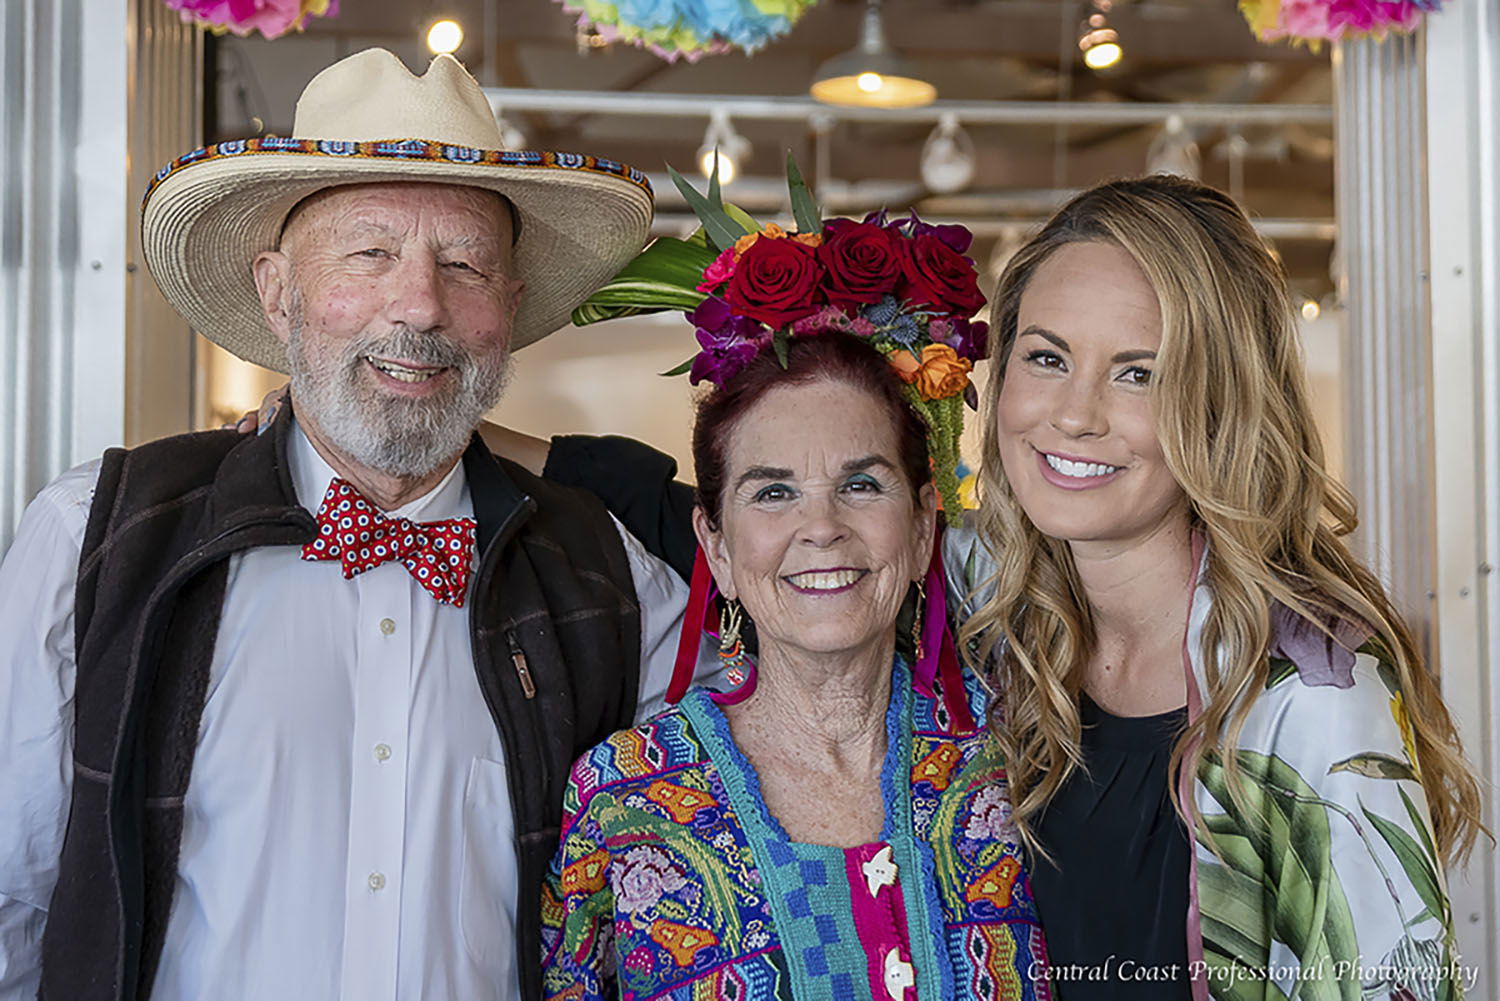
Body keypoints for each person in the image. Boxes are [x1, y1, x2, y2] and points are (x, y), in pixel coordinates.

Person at [497, 175, 1486, 999]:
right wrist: (446, 426)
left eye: (1138, 372)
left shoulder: (1310, 696)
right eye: (1047, 358)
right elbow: (774, 527)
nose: (1074, 414)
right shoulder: (1002, 609)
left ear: (1220, 400)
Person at [0, 48, 697, 1001]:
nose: (420, 305)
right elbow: (13, 903)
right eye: (370, 253)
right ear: (278, 291)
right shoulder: (95, 535)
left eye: (465, 265)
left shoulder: (609, 571)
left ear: (512, 308)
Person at [538, 188, 1047, 999]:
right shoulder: (623, 794)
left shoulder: (1023, 766)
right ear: (719, 548)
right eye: (773, 492)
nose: (822, 527)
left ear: (922, 530)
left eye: (862, 484)